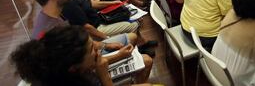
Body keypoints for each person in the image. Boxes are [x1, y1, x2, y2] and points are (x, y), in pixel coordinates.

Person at [10, 26, 153, 86]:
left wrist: (119, 55)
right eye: (92, 49)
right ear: (73, 68)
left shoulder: (60, 68)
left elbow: (91, 63)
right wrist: (104, 76)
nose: (98, 49)